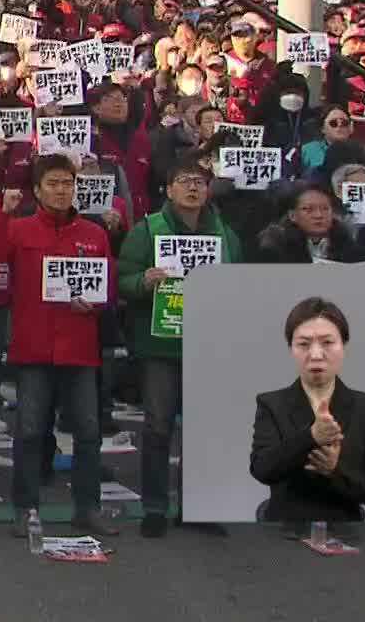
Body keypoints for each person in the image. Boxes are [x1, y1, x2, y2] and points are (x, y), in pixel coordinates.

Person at [0, 154, 120, 539]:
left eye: (67, 183)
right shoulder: (20, 229)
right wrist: (3, 214)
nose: (61, 190)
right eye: (53, 184)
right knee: (29, 431)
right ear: (37, 191)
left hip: (80, 348)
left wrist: (97, 301)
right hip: (33, 348)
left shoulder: (93, 234)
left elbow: (108, 285)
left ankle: (87, 508)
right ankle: (25, 509)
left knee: (88, 432)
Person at [115, 159, 241, 537]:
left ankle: (197, 506)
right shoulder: (147, 230)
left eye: (200, 182)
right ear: (168, 189)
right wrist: (143, 281)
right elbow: (122, 280)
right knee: (157, 425)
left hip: (207, 344)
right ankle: (154, 506)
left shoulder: (224, 234)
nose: (193, 188)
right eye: (184, 181)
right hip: (159, 344)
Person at [249, 297, 365, 524]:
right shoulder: (271, 403)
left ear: (343, 346)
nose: (316, 354)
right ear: (291, 348)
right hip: (284, 534)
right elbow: (261, 469)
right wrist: (311, 436)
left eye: (327, 342)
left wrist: (335, 470)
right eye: (304, 344)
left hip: (347, 535)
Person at [258, 182, 365, 266]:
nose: (318, 215)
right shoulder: (276, 249)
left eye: (325, 209)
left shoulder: (350, 247)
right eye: (308, 209)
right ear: (292, 215)